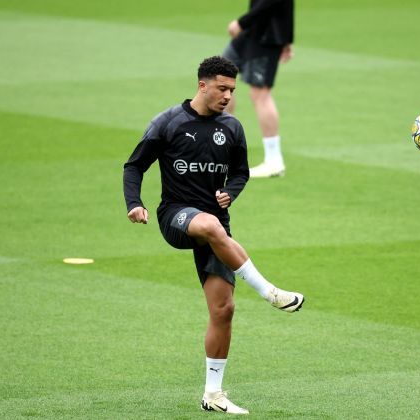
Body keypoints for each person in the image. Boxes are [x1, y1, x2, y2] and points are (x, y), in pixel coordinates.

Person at [123, 56, 304, 415]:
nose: (227, 95)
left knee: (224, 309)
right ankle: (269, 291)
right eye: (222, 88)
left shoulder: (232, 128)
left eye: (232, 90)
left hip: (218, 227)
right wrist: (135, 203)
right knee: (208, 224)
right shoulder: (168, 122)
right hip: (176, 216)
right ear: (202, 85)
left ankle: (213, 394)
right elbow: (134, 165)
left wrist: (230, 193)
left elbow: (240, 173)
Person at [222, 0, 294, 178]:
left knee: (260, 93)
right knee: (221, 75)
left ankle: (274, 160)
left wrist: (241, 22)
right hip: (254, 31)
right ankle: (224, 149)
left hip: (266, 35)